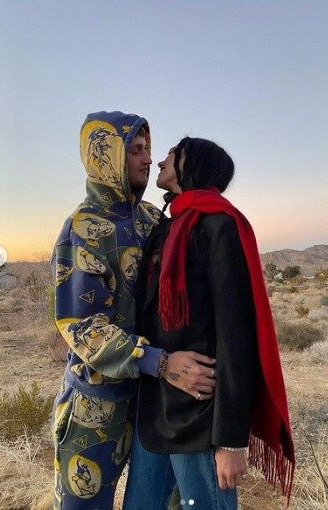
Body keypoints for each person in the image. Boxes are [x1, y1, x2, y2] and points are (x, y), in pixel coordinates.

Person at [51, 112, 216, 510]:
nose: (148, 159)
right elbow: (84, 328)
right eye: (136, 150)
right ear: (106, 157)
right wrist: (160, 362)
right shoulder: (82, 229)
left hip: (156, 403)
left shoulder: (152, 219)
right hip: (96, 405)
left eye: (148, 149)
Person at [123, 137, 295, 508]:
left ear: (194, 165)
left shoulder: (219, 226)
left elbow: (236, 335)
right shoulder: (165, 229)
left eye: (173, 154)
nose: (161, 160)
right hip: (155, 408)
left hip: (200, 416)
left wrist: (230, 441)